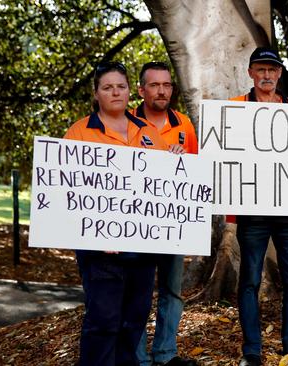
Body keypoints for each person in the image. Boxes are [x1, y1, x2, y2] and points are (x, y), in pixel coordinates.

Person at [64, 61, 170, 365]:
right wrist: (95, 234)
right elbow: (68, 193)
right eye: (108, 87)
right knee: (103, 322)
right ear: (97, 93)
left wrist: (174, 162)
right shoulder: (80, 132)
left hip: (143, 249)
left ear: (129, 91)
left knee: (133, 322)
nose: (115, 92)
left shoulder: (148, 131)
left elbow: (163, 188)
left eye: (121, 86)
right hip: (100, 252)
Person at [231, 46, 288, 366]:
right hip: (252, 213)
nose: (267, 75)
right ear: (250, 73)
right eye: (260, 69)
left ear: (280, 73)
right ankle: (252, 349)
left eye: (272, 70)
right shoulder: (234, 111)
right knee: (250, 280)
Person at [132, 61, 198, 366]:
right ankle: (137, 356)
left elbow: (197, 174)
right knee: (138, 295)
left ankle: (165, 353)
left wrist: (183, 159)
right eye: (155, 85)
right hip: (138, 224)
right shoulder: (127, 121)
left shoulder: (184, 124)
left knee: (172, 291)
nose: (162, 91)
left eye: (167, 85)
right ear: (142, 89)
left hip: (174, 225)